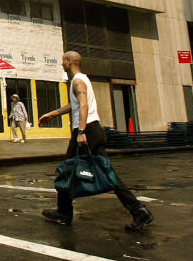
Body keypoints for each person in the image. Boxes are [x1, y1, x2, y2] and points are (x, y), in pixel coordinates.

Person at [38, 51, 154, 231]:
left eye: (63, 62)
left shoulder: (77, 81)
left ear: (69, 62)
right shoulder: (82, 80)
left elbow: (83, 105)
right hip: (92, 129)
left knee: (70, 170)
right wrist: (53, 114)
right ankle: (137, 210)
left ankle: (64, 212)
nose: (62, 65)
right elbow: (75, 104)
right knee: (103, 173)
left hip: (87, 130)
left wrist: (81, 131)